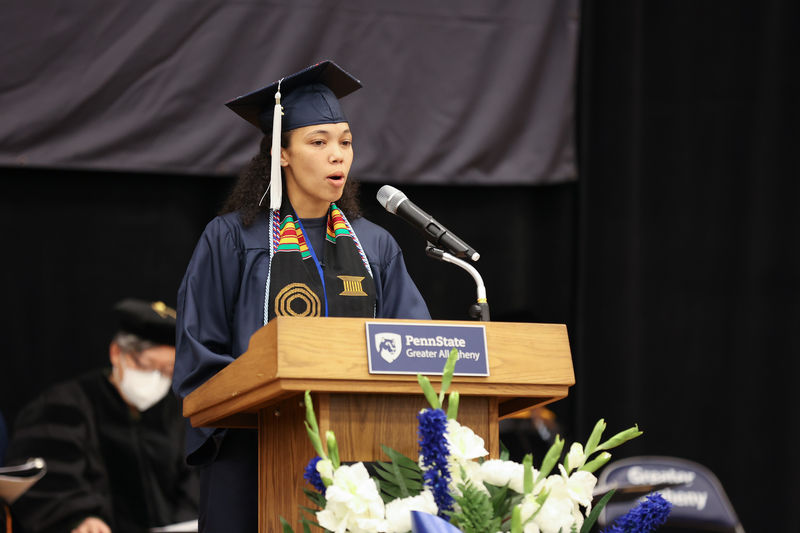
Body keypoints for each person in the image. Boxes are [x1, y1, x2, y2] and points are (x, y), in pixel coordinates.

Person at [173, 60, 430, 532]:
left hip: (362, 461)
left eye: (345, 142)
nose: (338, 155)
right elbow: (200, 356)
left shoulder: (374, 246)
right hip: (252, 456)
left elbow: (415, 349)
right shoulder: (231, 238)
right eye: (319, 141)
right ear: (282, 153)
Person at [6, 299, 199, 533]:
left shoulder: (177, 414)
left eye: (168, 370)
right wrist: (77, 518)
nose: (158, 379)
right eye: (148, 365)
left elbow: (193, 485)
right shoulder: (64, 405)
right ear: (117, 353)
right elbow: (45, 478)